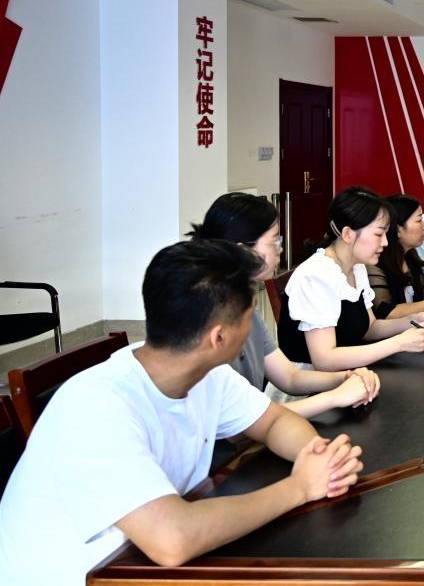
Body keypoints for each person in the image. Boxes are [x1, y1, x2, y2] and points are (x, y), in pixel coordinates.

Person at [0, 240, 364, 585]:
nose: (254, 326)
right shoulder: (96, 406)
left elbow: (273, 421)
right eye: (250, 315)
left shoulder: (203, 372)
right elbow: (172, 540)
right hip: (85, 575)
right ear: (218, 337)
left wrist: (318, 457)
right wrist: (300, 487)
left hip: (140, 563)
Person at [189, 193, 381, 416]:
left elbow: (289, 377)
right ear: (243, 251)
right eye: (274, 241)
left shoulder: (247, 310)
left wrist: (346, 377)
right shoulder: (209, 321)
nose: (280, 249)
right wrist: (335, 397)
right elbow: (242, 423)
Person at [277, 186, 424, 370]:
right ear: (348, 234)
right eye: (378, 234)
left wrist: (413, 320)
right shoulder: (316, 275)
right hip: (312, 381)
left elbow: (370, 328)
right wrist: (398, 343)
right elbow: (324, 360)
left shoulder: (357, 266)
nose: (385, 242)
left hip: (352, 373)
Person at [366, 193, 424, 319]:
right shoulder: (375, 264)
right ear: (398, 229)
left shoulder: (409, 254)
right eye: (419, 220)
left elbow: (423, 286)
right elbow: (386, 312)